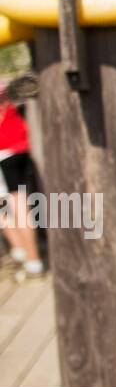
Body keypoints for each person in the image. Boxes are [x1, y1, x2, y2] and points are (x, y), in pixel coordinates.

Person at [0, 85, 43, 280]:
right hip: (20, 150)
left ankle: (31, 261)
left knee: (11, 208)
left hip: (4, 154)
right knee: (15, 206)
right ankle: (22, 255)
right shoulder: (4, 90)